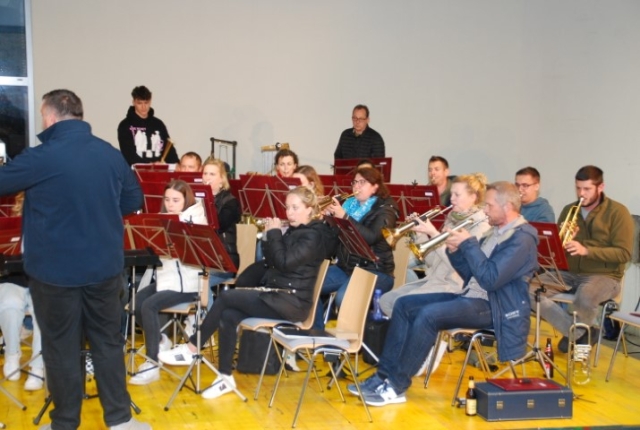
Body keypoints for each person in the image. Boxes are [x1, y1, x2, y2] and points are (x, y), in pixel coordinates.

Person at [0, 89, 148, 429]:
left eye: (42, 116)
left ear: (50, 117)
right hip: (104, 269)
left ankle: (65, 423)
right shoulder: (109, 154)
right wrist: (98, 213)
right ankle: (120, 421)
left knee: (61, 348)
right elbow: (133, 199)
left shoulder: (41, 157)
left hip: (55, 274)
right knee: (108, 344)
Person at [348, 181, 538, 407]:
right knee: (404, 305)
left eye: (489, 206)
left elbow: (490, 279)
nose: (485, 210)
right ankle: (383, 376)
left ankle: (396, 387)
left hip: (496, 307)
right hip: (472, 295)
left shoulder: (522, 238)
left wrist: (469, 245)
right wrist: (455, 251)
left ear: (507, 207)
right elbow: (470, 274)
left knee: (428, 315)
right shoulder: (496, 231)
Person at [158, 186, 338, 399]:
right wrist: (270, 236)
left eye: (295, 208)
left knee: (226, 296)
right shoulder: (296, 230)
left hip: (291, 302)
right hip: (279, 295)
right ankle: (225, 377)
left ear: (309, 209)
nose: (289, 212)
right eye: (287, 207)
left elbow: (284, 262)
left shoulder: (313, 236)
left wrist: (274, 234)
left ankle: (192, 348)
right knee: (228, 314)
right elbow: (271, 263)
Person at [531, 165, 634, 352]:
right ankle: (578, 332)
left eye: (587, 189)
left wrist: (587, 250)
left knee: (585, 297)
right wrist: (561, 243)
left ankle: (576, 332)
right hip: (568, 273)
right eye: (578, 188)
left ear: (600, 187)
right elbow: (556, 251)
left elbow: (624, 253)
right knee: (528, 291)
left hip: (604, 276)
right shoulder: (569, 210)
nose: (581, 194)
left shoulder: (618, 212)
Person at [129, 180, 207, 385]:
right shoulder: (162, 220)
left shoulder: (196, 221)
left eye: (176, 200)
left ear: (186, 201)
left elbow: (198, 256)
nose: (170, 204)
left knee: (149, 305)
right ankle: (161, 340)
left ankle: (152, 363)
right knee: (136, 303)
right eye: (167, 199)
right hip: (168, 280)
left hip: (190, 284)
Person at [379, 173, 491, 316]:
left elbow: (458, 267)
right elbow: (432, 261)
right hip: (433, 280)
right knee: (386, 300)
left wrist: (434, 234)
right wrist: (419, 234)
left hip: (452, 287)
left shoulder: (479, 227)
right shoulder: (452, 219)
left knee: (402, 303)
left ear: (473, 197)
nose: (451, 199)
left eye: (457, 195)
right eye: (451, 194)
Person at [313, 167, 398, 329]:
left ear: (375, 186)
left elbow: (371, 237)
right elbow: (332, 245)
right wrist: (328, 220)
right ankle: (317, 333)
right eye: (354, 182)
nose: (356, 186)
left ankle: (349, 340)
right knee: (309, 283)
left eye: (362, 182)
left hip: (376, 271)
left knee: (344, 298)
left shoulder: (386, 210)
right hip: (347, 268)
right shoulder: (349, 205)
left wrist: (344, 217)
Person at [201, 157, 241, 290]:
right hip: (202, 260)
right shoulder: (196, 199)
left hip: (224, 262)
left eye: (212, 174)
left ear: (222, 180)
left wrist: (206, 200)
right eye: (205, 173)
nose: (207, 177)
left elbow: (216, 227)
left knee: (199, 281)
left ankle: (207, 305)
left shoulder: (230, 203)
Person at [117, 85, 179, 166]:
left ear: (150, 101)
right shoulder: (125, 125)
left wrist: (177, 164)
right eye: (139, 103)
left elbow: (168, 150)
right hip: (135, 171)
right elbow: (128, 154)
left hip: (158, 170)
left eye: (146, 103)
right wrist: (150, 165)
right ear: (133, 102)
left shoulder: (158, 124)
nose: (143, 107)